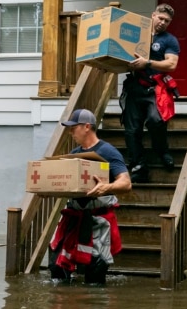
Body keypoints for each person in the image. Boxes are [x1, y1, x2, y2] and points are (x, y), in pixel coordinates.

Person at [49, 108, 132, 285]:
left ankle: (93, 306)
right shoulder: (74, 155)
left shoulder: (108, 152)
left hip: (98, 220)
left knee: (95, 274)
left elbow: (126, 183)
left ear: (87, 126)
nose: (70, 132)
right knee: (56, 268)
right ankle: (61, 308)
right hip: (74, 217)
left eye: (74, 127)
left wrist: (106, 187)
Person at [121, 3, 180, 183]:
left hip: (155, 88)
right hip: (134, 86)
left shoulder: (169, 40)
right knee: (131, 129)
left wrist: (148, 63)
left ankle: (162, 151)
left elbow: (171, 64)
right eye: (160, 18)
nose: (162, 23)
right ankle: (139, 164)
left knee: (156, 120)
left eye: (167, 21)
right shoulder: (135, 34)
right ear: (153, 15)